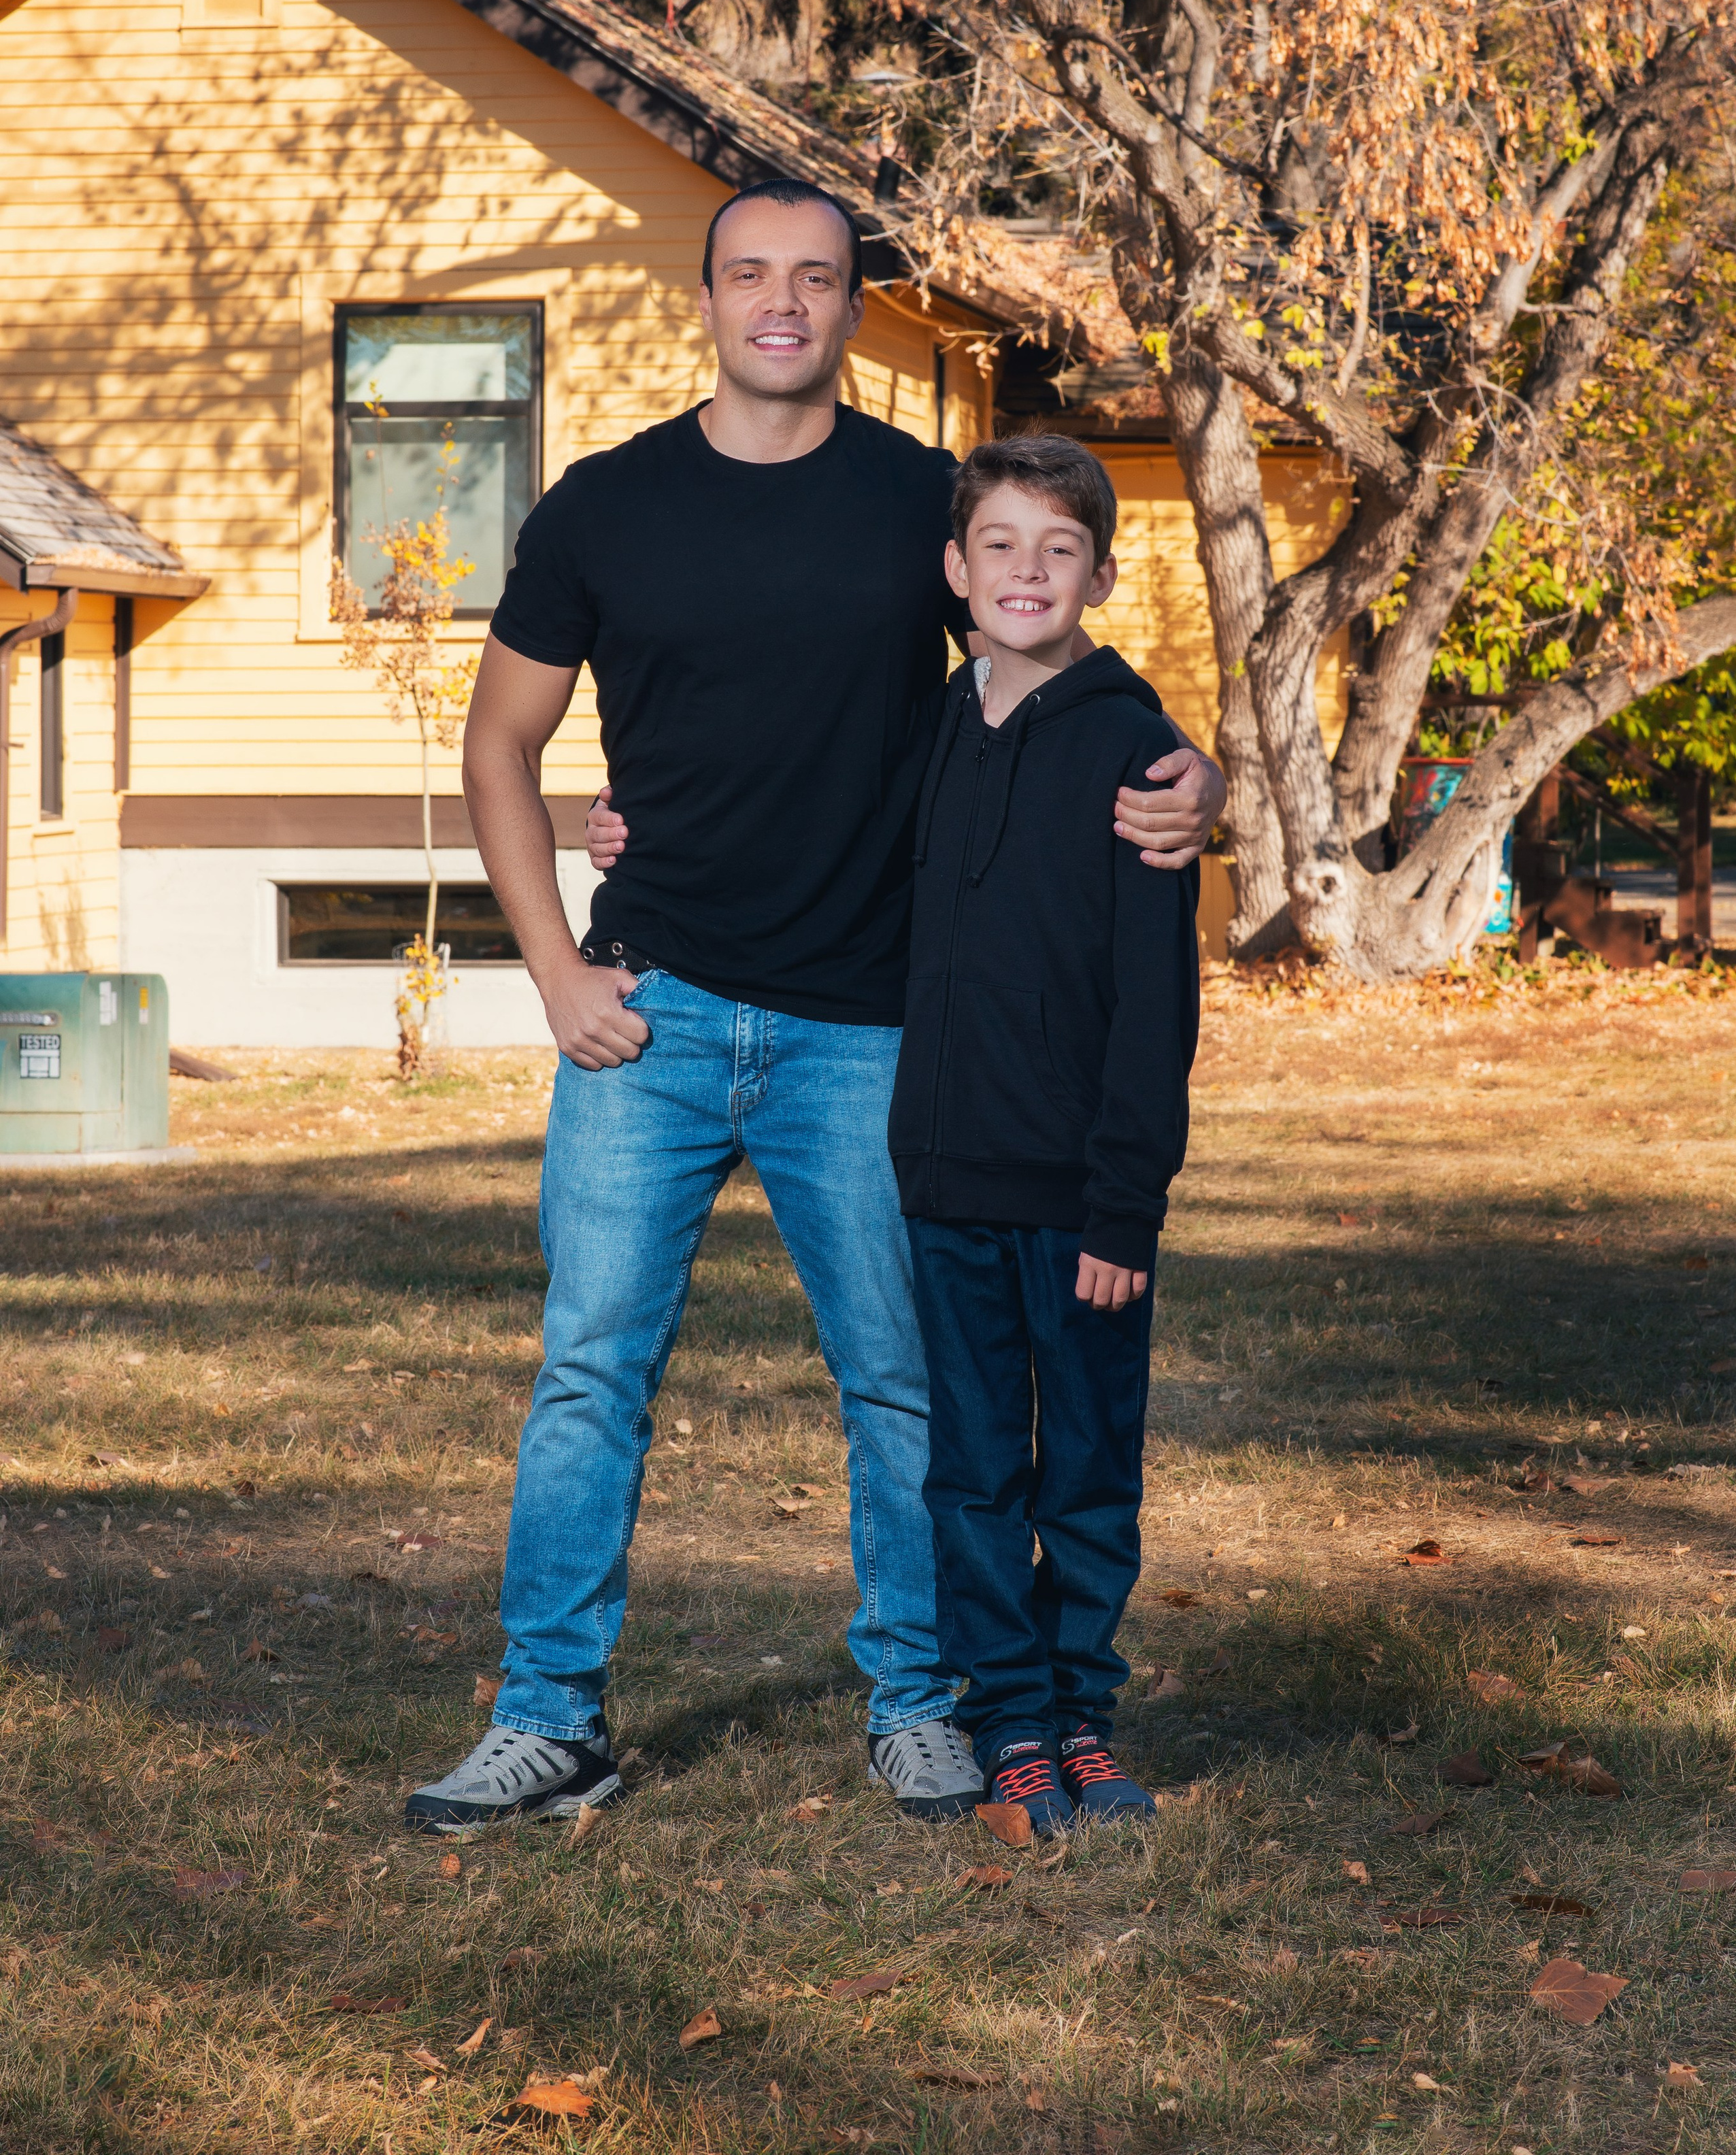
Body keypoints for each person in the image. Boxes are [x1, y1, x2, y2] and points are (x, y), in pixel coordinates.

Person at [403, 179, 1224, 1835]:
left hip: (869, 1034)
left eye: (819, 278)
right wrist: (555, 964)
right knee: (587, 1374)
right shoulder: (601, 508)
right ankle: (550, 1715)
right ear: (703, 296)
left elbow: (1040, 632)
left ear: (853, 307)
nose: (783, 302)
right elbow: (498, 744)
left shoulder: (922, 502)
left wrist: (1184, 762)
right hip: (653, 1012)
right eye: (751, 275)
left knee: (904, 1389)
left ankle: (920, 1703)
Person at [889, 435, 1200, 1833]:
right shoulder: (928, 731)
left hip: (1079, 1198)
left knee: (1082, 1464)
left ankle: (1082, 1715)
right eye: (998, 545)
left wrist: (1125, 1203)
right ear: (955, 570)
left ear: (1098, 574)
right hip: (942, 1177)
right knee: (969, 1465)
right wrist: (629, 834)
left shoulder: (1137, 753)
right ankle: (1004, 1718)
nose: (1025, 570)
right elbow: (806, 845)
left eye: (1055, 548)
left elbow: (1153, 1003)